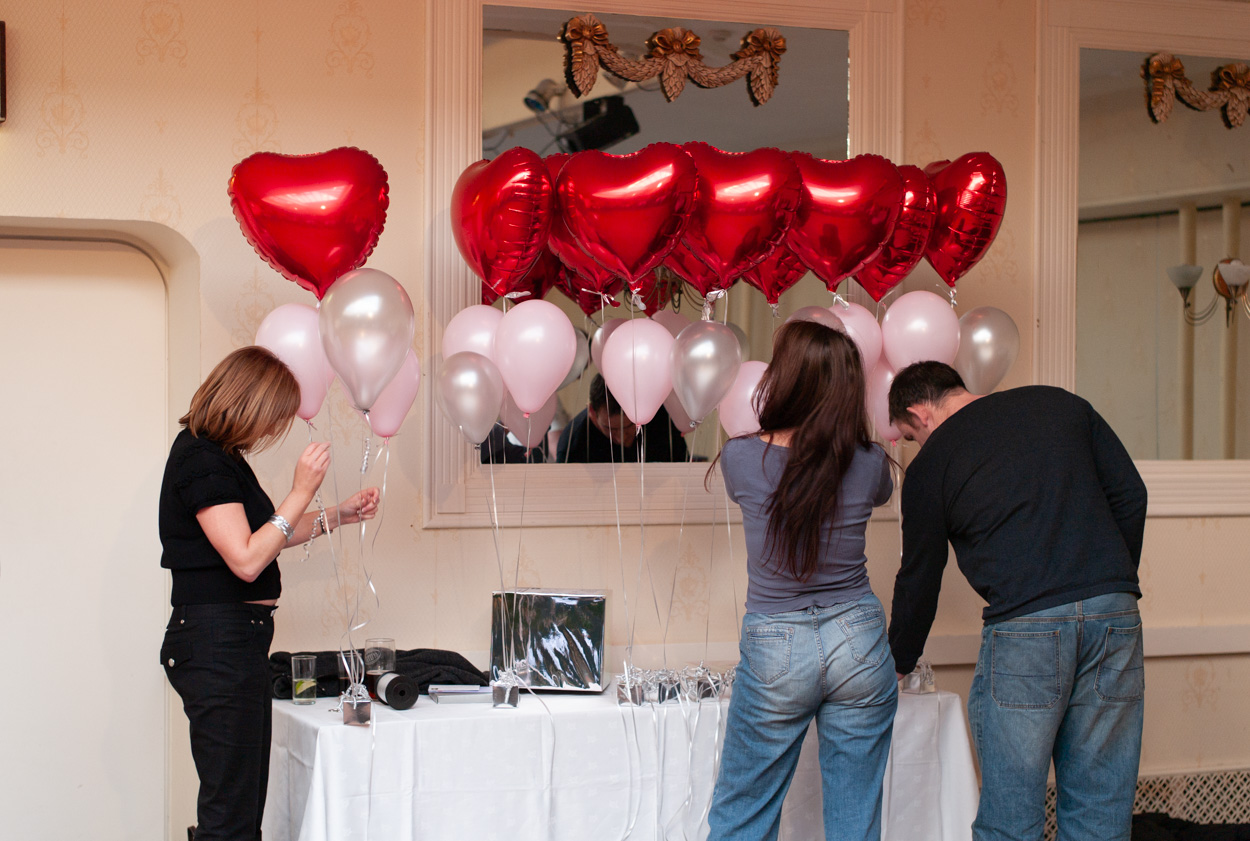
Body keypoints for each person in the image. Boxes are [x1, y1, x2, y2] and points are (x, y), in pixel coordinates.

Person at [886, 362, 1147, 841]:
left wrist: (898, 661)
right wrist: (1108, 585)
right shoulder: (1061, 404)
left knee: (1010, 820)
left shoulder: (932, 463)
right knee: (1101, 812)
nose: (915, 445)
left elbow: (920, 575)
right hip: (1115, 612)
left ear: (919, 413)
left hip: (1027, 626)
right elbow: (1131, 495)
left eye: (909, 436)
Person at [158, 346, 379, 841]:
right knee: (230, 817)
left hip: (235, 641)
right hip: (217, 642)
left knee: (240, 808)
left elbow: (267, 534)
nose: (272, 430)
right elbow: (247, 558)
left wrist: (338, 515)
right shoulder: (200, 458)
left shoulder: (221, 458)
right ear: (247, 403)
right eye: (273, 417)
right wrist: (301, 490)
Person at [706, 321, 897, 841]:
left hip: (777, 643)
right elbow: (880, 491)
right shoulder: (870, 461)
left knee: (743, 816)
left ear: (784, 379)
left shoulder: (740, 456)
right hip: (858, 638)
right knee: (856, 821)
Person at [556, 373, 688, 463]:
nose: (621, 438)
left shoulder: (661, 418)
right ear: (592, 413)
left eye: (629, 426)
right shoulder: (574, 443)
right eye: (610, 428)